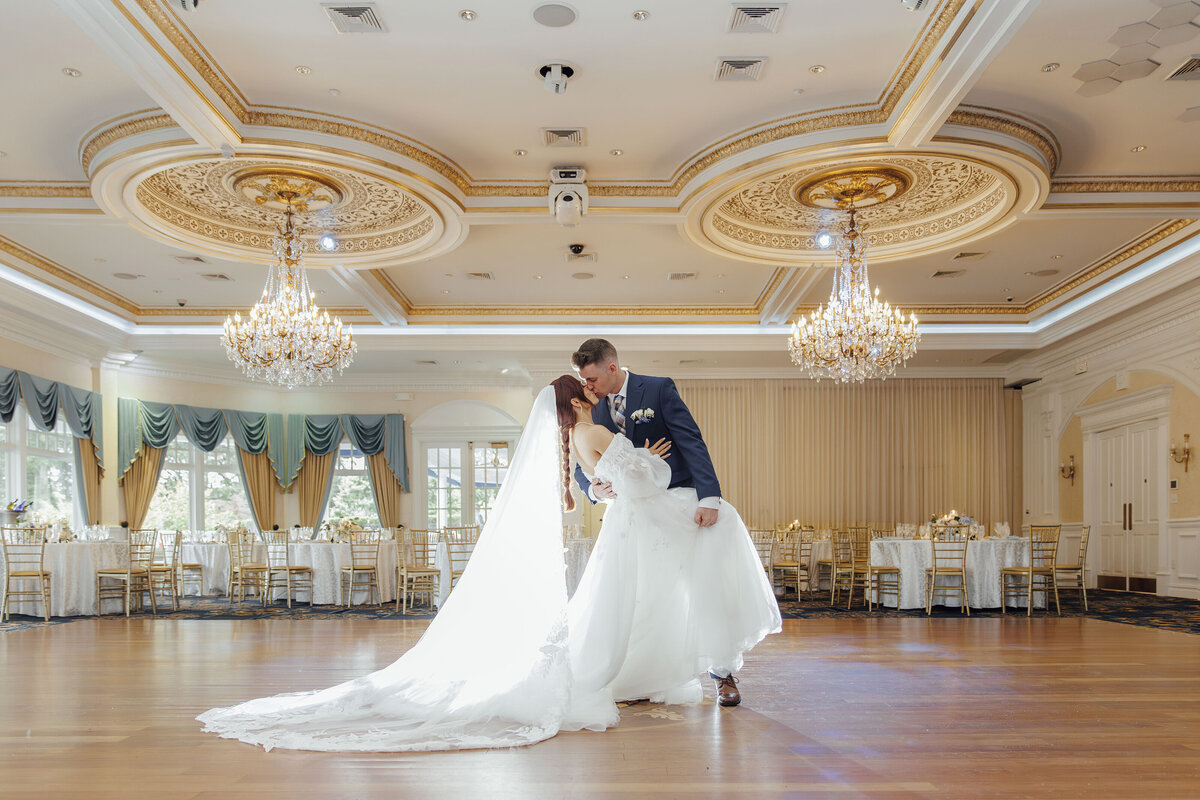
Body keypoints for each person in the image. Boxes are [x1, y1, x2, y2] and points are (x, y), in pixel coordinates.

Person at [196, 375, 777, 753]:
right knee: (630, 599)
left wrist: (621, 476)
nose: (598, 398)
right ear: (579, 400)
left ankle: (642, 669)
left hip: (626, 532)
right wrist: (647, 459)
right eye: (590, 393)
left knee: (622, 602)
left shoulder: (577, 436)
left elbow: (601, 484)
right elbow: (638, 478)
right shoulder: (596, 428)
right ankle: (643, 669)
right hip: (634, 527)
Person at [570, 337, 769, 706]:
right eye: (585, 380)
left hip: (677, 503)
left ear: (612, 368)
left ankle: (722, 672)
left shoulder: (658, 389)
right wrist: (594, 490)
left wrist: (708, 496)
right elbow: (581, 468)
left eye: (594, 379)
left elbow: (691, 441)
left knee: (705, 584)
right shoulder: (591, 410)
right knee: (639, 595)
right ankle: (639, 673)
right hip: (632, 516)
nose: (589, 387)